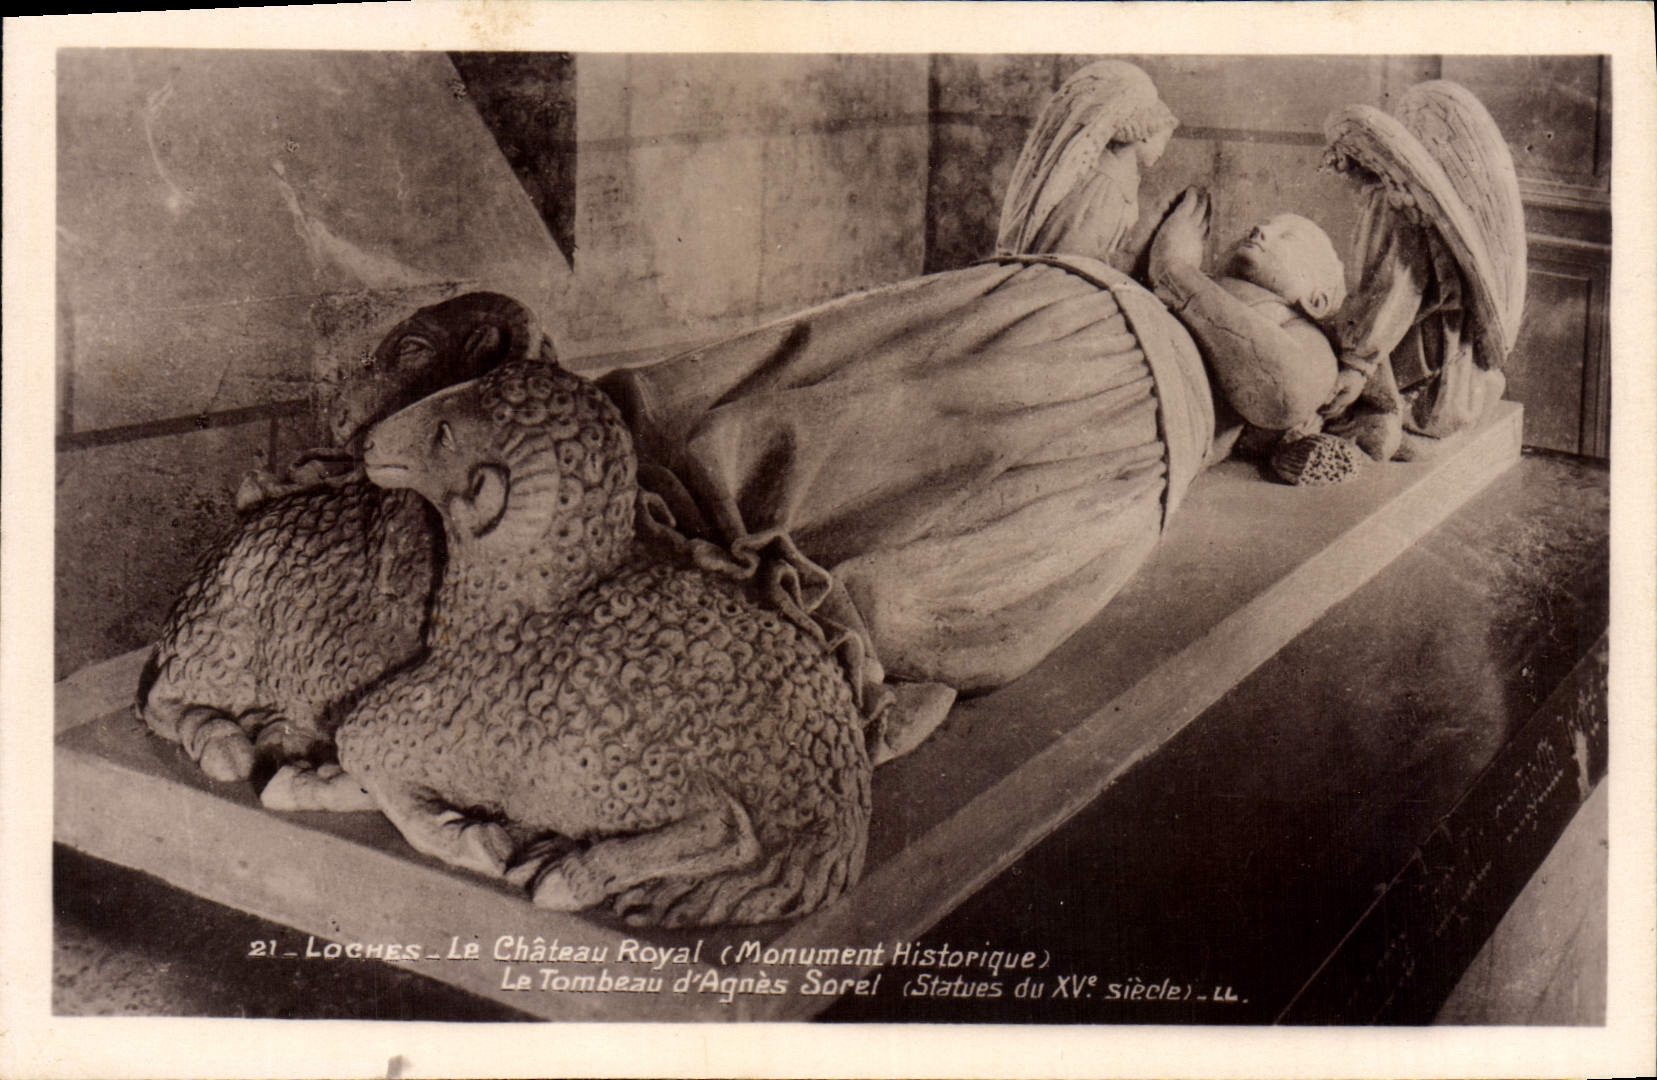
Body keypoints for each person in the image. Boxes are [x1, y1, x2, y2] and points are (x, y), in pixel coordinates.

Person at [596, 63, 1333, 762]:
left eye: (1293, 236)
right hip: (1063, 317)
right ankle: (663, 457)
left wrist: (1173, 271)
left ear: (1320, 297)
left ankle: (743, 539)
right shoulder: (1183, 286)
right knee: (864, 377)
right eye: (1265, 223)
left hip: (1126, 429)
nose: (1263, 230)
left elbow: (1276, 393)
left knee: (930, 500)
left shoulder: (1306, 343)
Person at [1318, 81, 1526, 461]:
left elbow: (1391, 292)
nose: (1334, 167)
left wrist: (1356, 366)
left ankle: (1391, 416)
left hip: (1421, 358)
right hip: (1452, 354)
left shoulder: (1391, 205)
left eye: (1341, 156)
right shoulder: (1419, 197)